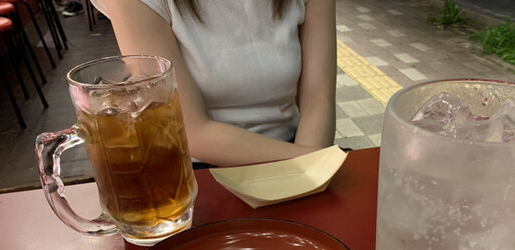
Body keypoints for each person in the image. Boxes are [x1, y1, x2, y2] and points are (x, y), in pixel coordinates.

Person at [91, 0, 337, 167]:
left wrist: (314, 172)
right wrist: (316, 163)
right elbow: (191, 130)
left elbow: (318, 98)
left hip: (296, 147)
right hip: (197, 170)